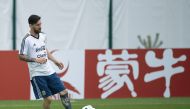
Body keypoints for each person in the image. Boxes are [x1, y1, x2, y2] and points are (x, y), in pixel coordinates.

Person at [18, 14, 72, 109]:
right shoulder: (26, 39)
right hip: (37, 74)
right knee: (49, 99)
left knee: (64, 92)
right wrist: (35, 59)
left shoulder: (43, 36)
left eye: (40, 24)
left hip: (49, 71)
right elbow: (20, 56)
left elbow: (45, 50)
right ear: (31, 25)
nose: (40, 26)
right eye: (37, 25)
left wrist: (55, 61)